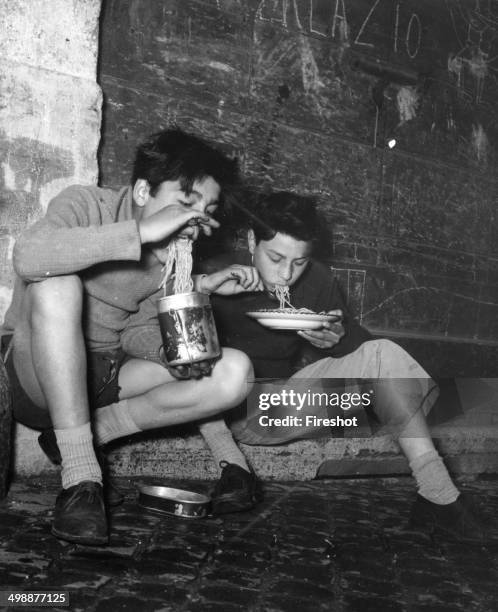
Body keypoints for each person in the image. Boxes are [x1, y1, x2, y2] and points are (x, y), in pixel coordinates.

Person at [2, 127, 261, 546]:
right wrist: (141, 233)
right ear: (143, 190)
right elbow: (30, 256)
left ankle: (84, 434)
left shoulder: (171, 259)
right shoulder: (86, 203)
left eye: (205, 211)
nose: (193, 223)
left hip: (104, 377)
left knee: (234, 371)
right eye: (184, 203)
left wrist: (175, 345)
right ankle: (82, 479)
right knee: (55, 283)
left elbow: (136, 332)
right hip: (30, 378)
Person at [198, 191, 485, 541]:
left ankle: (436, 493)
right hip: (234, 411)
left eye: (298, 262)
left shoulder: (317, 279)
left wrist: (338, 338)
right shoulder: (219, 273)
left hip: (285, 406)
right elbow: (176, 356)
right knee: (213, 363)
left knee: (383, 353)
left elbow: (360, 346)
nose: (286, 273)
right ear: (251, 240)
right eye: (275, 257)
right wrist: (203, 291)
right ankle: (235, 468)